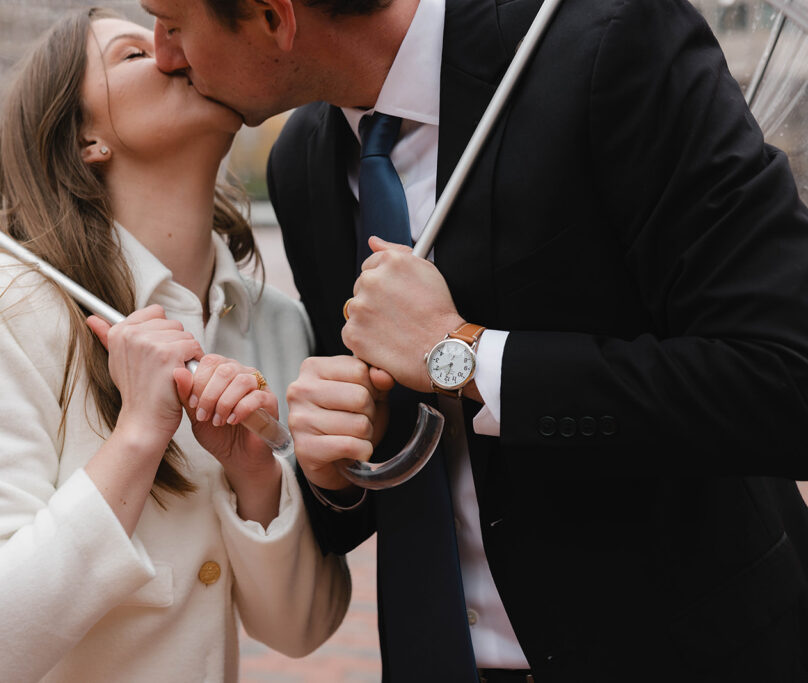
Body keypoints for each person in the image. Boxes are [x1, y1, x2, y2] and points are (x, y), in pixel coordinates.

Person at [145, 0, 808, 680]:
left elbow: (785, 379)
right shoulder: (303, 163)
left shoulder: (610, 43)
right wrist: (333, 471)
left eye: (169, 23)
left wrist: (463, 354)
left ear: (272, 16)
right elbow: (395, 480)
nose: (165, 54)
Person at [0, 8, 350, 682]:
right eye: (134, 54)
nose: (174, 51)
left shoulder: (277, 323)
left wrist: (255, 475)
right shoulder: (0, 300)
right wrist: (140, 435)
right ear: (86, 138)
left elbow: (300, 629)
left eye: (174, 32)